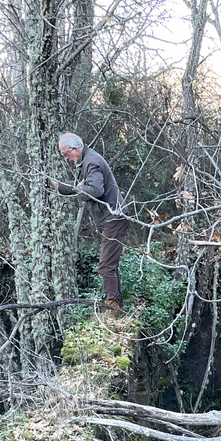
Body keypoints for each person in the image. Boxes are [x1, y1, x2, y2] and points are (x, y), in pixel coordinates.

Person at [52, 133, 130, 312]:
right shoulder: (87, 160)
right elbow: (82, 186)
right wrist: (59, 186)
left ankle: (113, 307)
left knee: (106, 266)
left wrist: (78, 188)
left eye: (66, 154)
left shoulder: (91, 162)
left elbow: (95, 190)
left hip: (114, 218)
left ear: (74, 149)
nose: (66, 158)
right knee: (110, 265)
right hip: (111, 218)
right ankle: (117, 305)